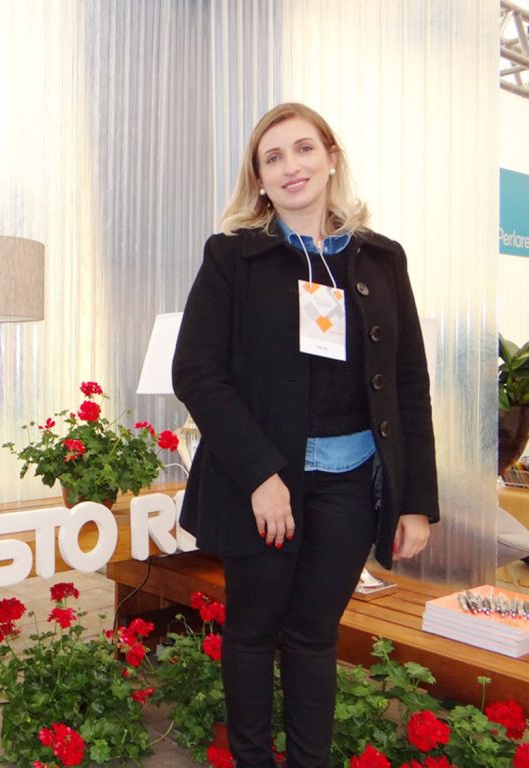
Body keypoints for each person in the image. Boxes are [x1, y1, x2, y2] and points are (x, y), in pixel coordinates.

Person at [172, 103, 438, 768]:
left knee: (315, 636)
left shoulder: (382, 259)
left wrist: (415, 501)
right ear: (259, 179)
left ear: (331, 157)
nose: (291, 166)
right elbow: (197, 374)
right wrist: (261, 476)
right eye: (273, 157)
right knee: (253, 632)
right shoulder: (234, 257)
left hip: (351, 483)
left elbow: (409, 384)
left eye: (303, 149)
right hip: (267, 484)